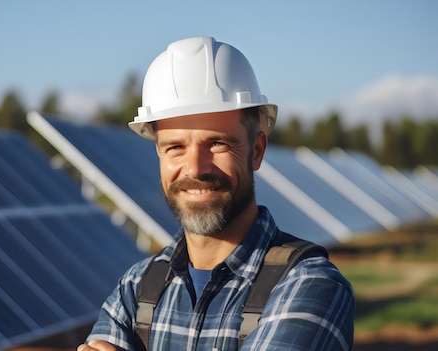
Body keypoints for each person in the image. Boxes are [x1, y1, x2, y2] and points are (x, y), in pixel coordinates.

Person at [77, 36, 355, 351]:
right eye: (175, 147)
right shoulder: (135, 289)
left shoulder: (308, 285)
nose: (195, 168)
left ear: (256, 151)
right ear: (159, 154)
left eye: (217, 143)